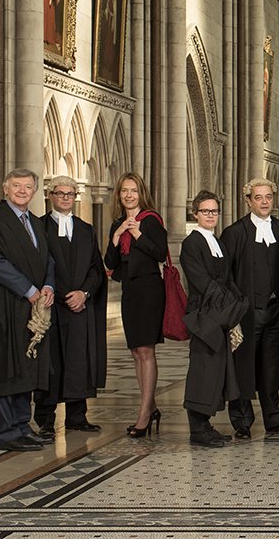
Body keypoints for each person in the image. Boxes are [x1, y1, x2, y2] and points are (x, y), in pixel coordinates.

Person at [0, 168, 56, 451]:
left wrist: (48, 285)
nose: (22, 191)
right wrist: (29, 289)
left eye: (28, 187)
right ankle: (7, 432)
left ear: (34, 191)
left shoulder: (35, 223)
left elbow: (48, 259)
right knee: (4, 366)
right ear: (5, 189)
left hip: (31, 307)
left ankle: (23, 425)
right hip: (4, 306)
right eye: (16, 186)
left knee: (27, 366)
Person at [221, 178, 279, 440]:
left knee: (271, 368)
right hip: (247, 313)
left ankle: (274, 420)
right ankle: (242, 421)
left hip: (276, 311)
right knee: (244, 367)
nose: (265, 202)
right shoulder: (234, 233)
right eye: (258, 197)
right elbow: (226, 276)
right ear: (248, 201)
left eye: (268, 197)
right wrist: (238, 306)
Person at [35, 176, 107, 437]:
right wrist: (62, 293)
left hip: (79, 306)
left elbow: (95, 269)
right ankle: (45, 419)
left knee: (78, 360)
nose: (65, 198)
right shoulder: (39, 227)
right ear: (50, 196)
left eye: (70, 194)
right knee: (50, 363)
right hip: (52, 306)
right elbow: (37, 266)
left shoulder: (86, 229)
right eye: (60, 193)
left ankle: (77, 416)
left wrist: (84, 293)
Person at [103, 172, 168, 438]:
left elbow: (160, 253)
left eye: (133, 191)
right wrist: (117, 236)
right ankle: (150, 406)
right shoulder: (117, 223)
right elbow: (109, 262)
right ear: (119, 195)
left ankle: (143, 414)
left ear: (141, 193)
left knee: (146, 350)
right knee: (135, 353)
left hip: (149, 290)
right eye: (124, 191)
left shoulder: (151, 220)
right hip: (129, 291)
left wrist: (138, 233)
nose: (129, 195)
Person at [180, 191, 246, 448]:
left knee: (216, 371)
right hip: (203, 315)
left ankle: (205, 424)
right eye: (206, 211)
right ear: (195, 213)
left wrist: (239, 300)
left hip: (220, 315)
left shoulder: (217, 242)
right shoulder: (191, 243)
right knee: (202, 371)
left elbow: (226, 278)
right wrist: (229, 304)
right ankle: (197, 429)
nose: (211, 216)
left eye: (215, 211)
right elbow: (201, 282)